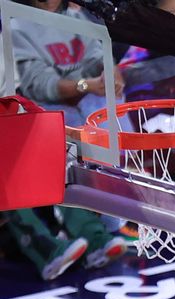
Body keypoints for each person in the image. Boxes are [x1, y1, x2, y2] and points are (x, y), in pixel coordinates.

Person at [10, 0, 130, 267]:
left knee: (105, 106)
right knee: (43, 134)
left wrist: (107, 71)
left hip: (53, 108)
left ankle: (113, 226)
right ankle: (55, 245)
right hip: (42, 110)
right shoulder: (14, 22)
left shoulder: (77, 14)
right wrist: (86, 84)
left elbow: (96, 55)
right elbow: (38, 86)